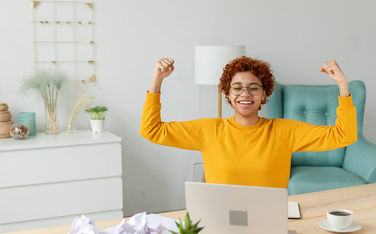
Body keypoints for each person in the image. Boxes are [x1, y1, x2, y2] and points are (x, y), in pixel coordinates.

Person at [140, 56, 357, 188]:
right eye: (237, 87)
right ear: (228, 94)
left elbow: (344, 135)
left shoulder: (284, 131)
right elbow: (151, 130)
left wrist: (342, 85)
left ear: (264, 95)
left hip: (268, 223)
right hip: (219, 222)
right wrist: (156, 80)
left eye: (254, 87)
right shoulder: (209, 130)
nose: (246, 93)